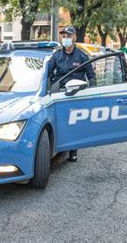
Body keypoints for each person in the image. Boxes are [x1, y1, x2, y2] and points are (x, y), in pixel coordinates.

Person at [47, 26, 96, 162]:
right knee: (60, 122)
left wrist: (94, 95)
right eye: (64, 36)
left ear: (74, 37)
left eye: (68, 36)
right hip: (59, 93)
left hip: (76, 94)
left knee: (74, 123)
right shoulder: (56, 55)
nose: (66, 39)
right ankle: (58, 147)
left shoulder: (82, 56)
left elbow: (91, 77)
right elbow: (48, 73)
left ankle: (73, 151)